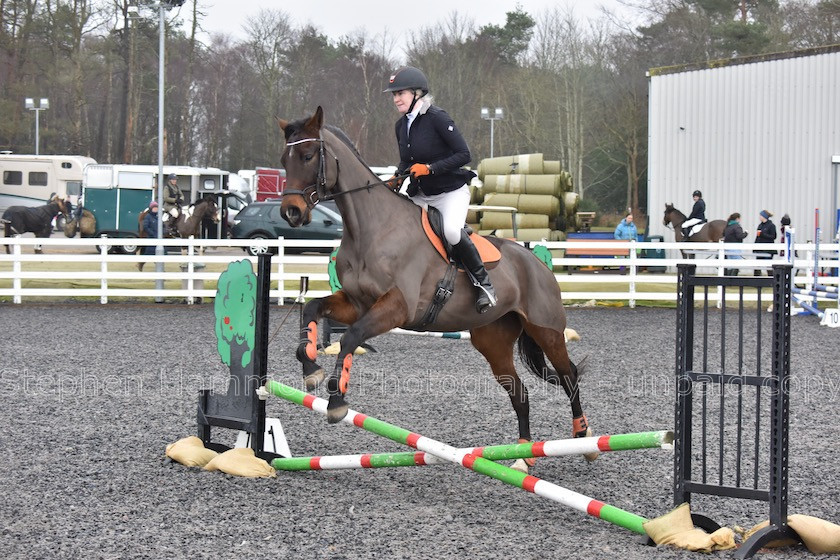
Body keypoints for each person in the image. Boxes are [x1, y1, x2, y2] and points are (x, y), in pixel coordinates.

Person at [383, 66, 495, 313]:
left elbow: (464, 154)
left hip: (450, 193)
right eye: (394, 95)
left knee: (452, 232)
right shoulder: (401, 126)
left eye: (400, 93)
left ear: (417, 93)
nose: (396, 99)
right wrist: (396, 178)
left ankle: (483, 284)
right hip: (422, 195)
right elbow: (407, 161)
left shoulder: (437, 118)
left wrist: (430, 168)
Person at [138, 201, 160, 271]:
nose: (156, 209)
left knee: (159, 254)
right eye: (154, 208)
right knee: (149, 253)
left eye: (157, 208)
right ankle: (141, 264)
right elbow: (145, 226)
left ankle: (160, 269)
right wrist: (152, 234)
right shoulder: (148, 217)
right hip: (152, 238)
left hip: (158, 238)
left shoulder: (158, 217)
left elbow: (163, 226)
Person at [754, 210, 777, 276]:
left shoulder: (771, 226)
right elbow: (757, 237)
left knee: (768, 265)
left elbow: (773, 236)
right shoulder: (760, 225)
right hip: (760, 249)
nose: (759, 217)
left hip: (768, 249)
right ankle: (757, 280)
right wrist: (755, 246)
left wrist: (763, 234)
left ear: (764, 216)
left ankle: (771, 279)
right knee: (758, 264)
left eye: (761, 215)